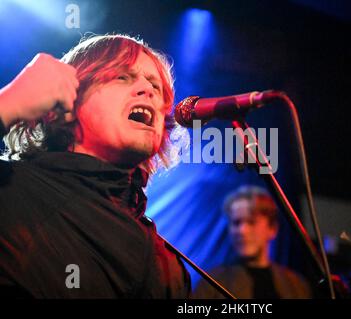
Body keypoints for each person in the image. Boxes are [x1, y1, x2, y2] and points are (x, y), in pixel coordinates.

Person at [0, 34, 190, 298]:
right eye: (122, 77)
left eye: (156, 87)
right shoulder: (10, 190)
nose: (147, 90)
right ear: (62, 104)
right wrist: (9, 102)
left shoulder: (166, 265)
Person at [193, 185, 312, 299]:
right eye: (236, 222)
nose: (242, 231)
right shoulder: (212, 282)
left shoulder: (295, 285)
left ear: (272, 228)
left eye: (251, 222)